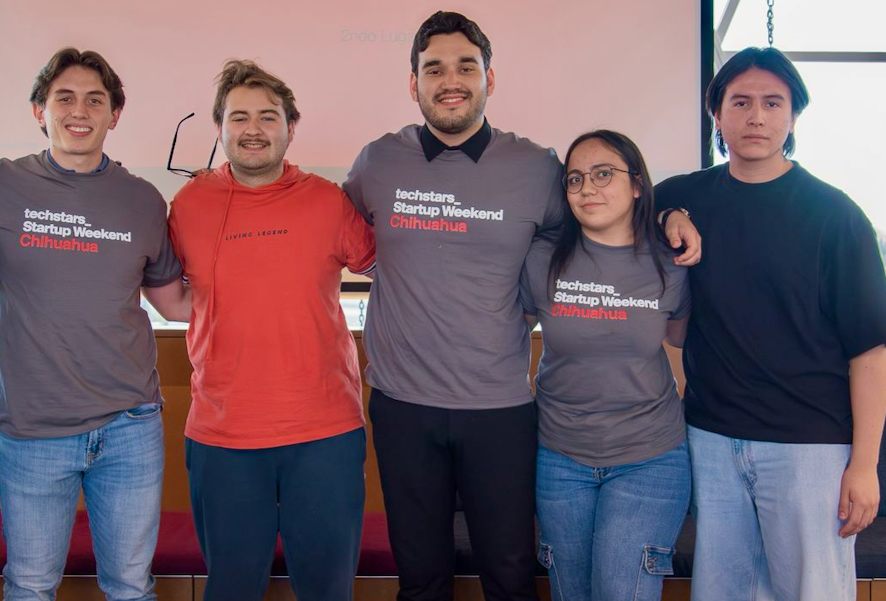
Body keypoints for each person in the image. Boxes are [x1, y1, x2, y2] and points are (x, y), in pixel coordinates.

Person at [343, 11, 700, 601]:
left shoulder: (539, 168)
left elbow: (602, 222)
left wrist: (667, 215)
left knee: (510, 576)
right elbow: (328, 226)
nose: (450, 80)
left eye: (466, 66)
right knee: (421, 578)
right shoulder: (376, 162)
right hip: (402, 403)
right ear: (414, 83)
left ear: (490, 78)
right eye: (433, 68)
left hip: (502, 407)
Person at [655, 46, 886, 601]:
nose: (756, 116)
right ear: (718, 115)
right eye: (740, 102)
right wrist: (669, 215)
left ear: (793, 116)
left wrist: (864, 464)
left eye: (772, 102)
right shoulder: (686, 194)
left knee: (814, 592)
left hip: (810, 445)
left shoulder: (836, 216)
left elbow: (871, 353)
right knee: (722, 592)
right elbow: (632, 209)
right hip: (712, 439)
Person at [167, 59, 375, 601]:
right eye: (239, 117)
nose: (253, 129)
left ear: (289, 127)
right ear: (219, 129)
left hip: (325, 433)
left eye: (267, 116)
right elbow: (165, 290)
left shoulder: (329, 201)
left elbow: (395, 270)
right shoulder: (188, 204)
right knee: (232, 589)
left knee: (328, 591)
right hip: (223, 435)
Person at [0, 47, 188, 601]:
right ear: (39, 110)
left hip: (130, 426)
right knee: (29, 586)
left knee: (129, 586)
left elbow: (174, 305)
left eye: (95, 100)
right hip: (33, 431)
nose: (80, 110)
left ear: (113, 115)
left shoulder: (143, 200)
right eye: (64, 98)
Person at [520, 130, 691, 601]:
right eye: (574, 180)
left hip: (649, 458)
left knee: (622, 592)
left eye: (602, 174)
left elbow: (681, 340)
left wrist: (671, 216)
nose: (587, 188)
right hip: (559, 456)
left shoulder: (671, 263)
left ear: (637, 184)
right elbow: (501, 331)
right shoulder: (540, 259)